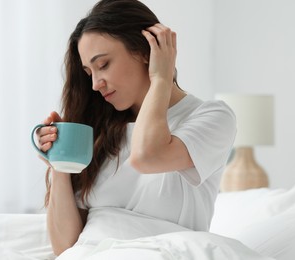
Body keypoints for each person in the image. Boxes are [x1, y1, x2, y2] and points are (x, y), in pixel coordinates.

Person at [36, 0, 236, 256]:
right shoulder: (99, 130)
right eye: (89, 72)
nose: (96, 84)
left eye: (104, 64)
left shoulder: (211, 117)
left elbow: (147, 157)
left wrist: (161, 79)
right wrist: (60, 164)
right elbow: (64, 246)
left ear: (145, 51)